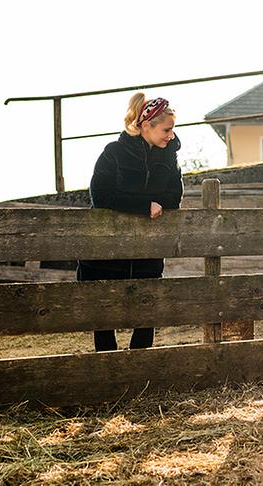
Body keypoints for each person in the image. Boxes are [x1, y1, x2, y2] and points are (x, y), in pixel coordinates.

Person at [77, 93, 183, 351]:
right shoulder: (113, 153)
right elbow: (101, 195)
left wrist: (150, 203)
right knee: (104, 315)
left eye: (172, 130)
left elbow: (174, 195)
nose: (171, 136)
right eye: (166, 130)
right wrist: (144, 205)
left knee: (148, 310)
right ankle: (108, 370)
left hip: (148, 250)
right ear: (147, 126)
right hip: (107, 252)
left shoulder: (169, 156)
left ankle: (140, 367)